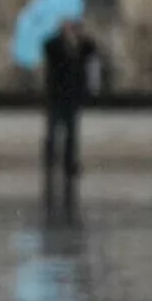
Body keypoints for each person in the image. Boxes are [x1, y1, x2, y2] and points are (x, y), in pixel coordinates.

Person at [42, 20, 97, 186]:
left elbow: (91, 50)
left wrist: (79, 38)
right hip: (56, 96)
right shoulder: (55, 44)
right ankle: (50, 161)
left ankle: (69, 163)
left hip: (72, 97)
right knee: (53, 132)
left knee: (72, 134)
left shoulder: (78, 45)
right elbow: (49, 49)